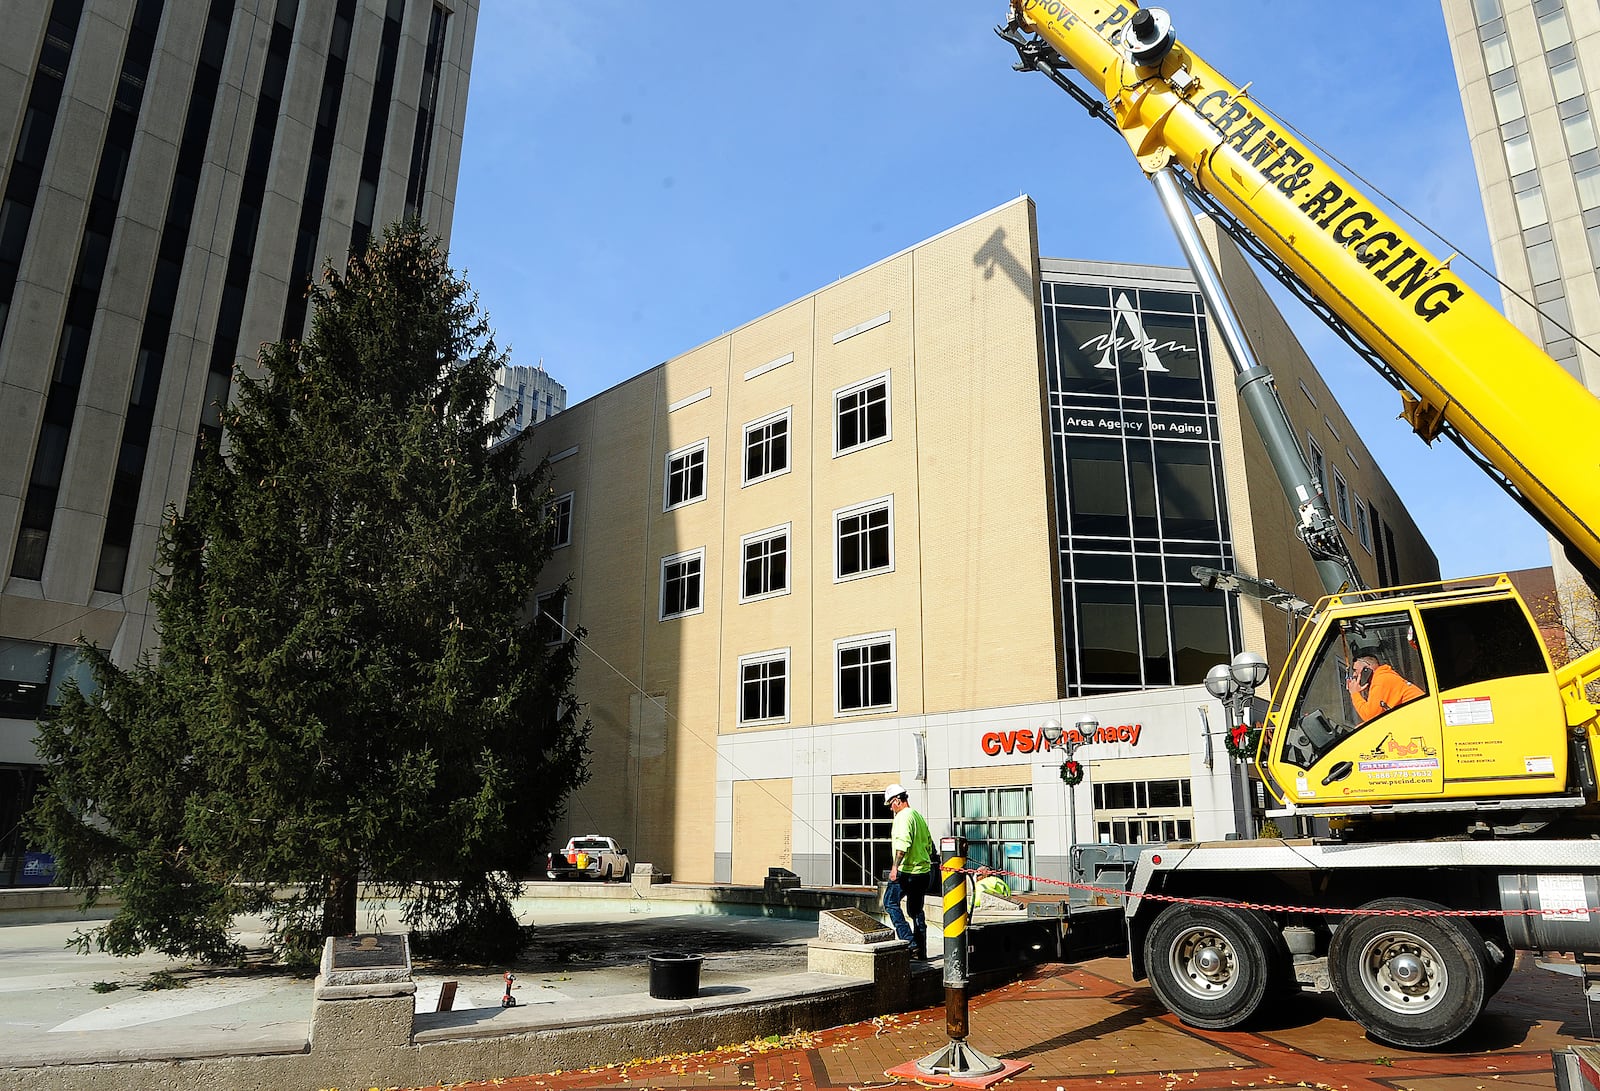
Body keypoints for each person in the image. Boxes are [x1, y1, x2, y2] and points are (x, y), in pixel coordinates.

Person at [881, 782, 934, 960]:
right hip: (923, 872)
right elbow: (929, 845)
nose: (890, 809)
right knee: (916, 911)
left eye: (890, 804)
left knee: (890, 902)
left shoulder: (903, 817)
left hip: (907, 872)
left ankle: (909, 943)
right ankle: (921, 950)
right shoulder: (918, 816)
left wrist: (895, 867)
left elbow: (903, 844)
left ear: (897, 800)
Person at [1345, 632, 1423, 723]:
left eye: (1355, 670)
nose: (1354, 675)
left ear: (1367, 668)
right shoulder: (1383, 677)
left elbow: (1370, 717)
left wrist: (1354, 693)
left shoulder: (1381, 679)